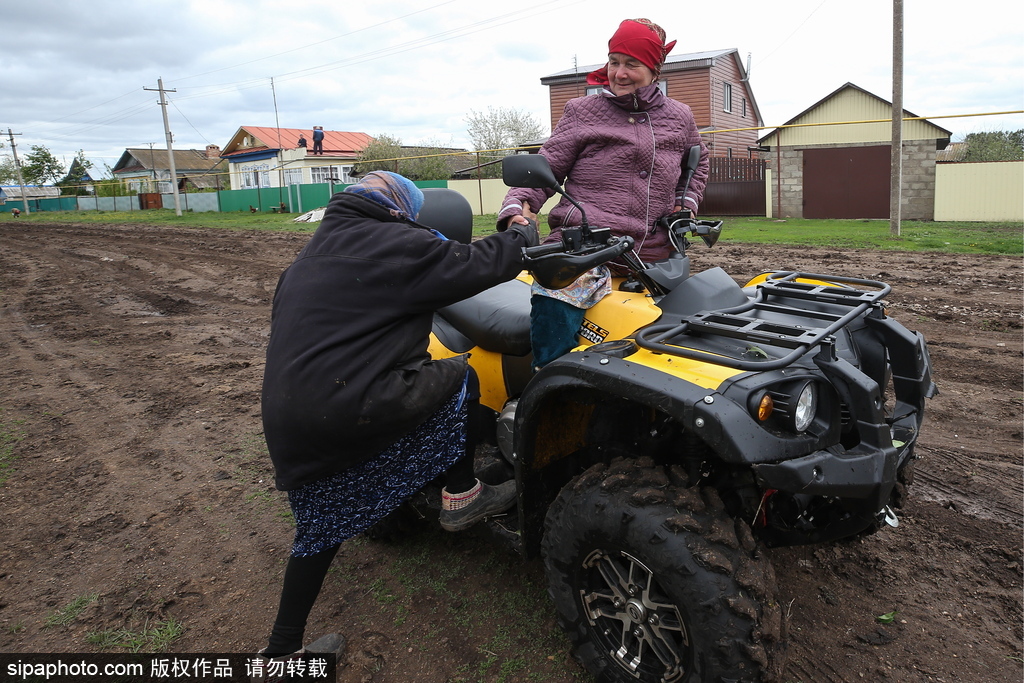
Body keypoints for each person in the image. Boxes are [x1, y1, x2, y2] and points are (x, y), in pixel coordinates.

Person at [257, 171, 538, 666]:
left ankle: (283, 651)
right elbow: (485, 263)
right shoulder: (397, 243)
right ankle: (461, 495)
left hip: (291, 414)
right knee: (460, 375)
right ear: (400, 209)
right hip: (352, 403)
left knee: (321, 528)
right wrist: (522, 232)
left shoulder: (309, 257)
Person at [498, 18, 709, 369]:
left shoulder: (680, 117)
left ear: (655, 70)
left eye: (632, 64)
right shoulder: (583, 112)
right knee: (556, 311)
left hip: (654, 257)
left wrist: (683, 204)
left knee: (681, 342)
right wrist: (518, 207)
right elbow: (544, 167)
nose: (620, 73)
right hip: (582, 252)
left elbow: (697, 165)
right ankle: (546, 385)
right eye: (614, 62)